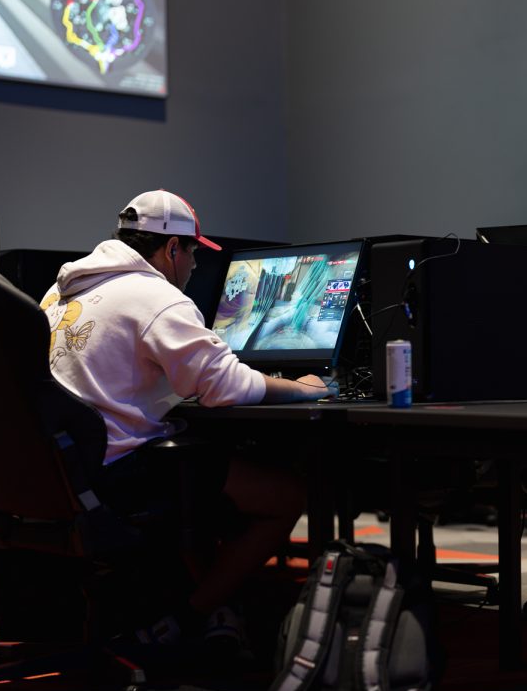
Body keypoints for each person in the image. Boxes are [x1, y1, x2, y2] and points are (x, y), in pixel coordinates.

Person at [40, 188, 327, 646]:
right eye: (193, 252)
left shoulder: (59, 291)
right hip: (115, 475)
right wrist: (305, 389)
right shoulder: (156, 296)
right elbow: (226, 386)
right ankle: (188, 616)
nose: (195, 266)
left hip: (55, 473)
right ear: (173, 248)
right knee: (286, 492)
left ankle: (217, 606)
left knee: (199, 468)